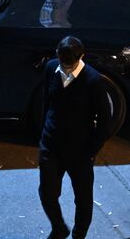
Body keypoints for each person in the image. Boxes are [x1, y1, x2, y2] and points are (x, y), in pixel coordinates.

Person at [37, 35, 112, 239]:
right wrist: (43, 133)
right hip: (51, 145)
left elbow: (105, 119)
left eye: (71, 62)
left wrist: (91, 150)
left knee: (83, 199)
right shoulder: (51, 68)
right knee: (47, 193)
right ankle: (59, 228)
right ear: (57, 55)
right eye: (64, 61)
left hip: (80, 150)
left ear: (81, 57)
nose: (67, 66)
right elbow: (46, 101)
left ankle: (79, 235)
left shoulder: (93, 80)